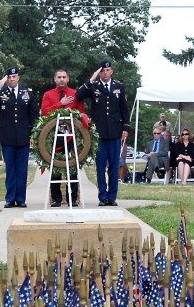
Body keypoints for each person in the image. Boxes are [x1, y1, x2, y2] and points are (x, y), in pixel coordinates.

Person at [76, 60, 130, 206]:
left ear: (111, 71)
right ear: (99, 73)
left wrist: (125, 128)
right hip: (99, 134)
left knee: (114, 166)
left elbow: (124, 109)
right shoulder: (94, 87)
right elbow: (79, 95)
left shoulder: (119, 87)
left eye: (107, 70)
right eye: (102, 71)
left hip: (114, 132)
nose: (105, 73)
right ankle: (102, 197)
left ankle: (112, 197)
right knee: (100, 167)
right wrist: (91, 79)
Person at [0, 67, 39, 207]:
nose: (12, 79)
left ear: (18, 77)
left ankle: (20, 199)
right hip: (7, 137)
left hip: (23, 137)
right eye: (9, 77)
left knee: (22, 169)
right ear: (6, 79)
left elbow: (34, 115)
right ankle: (10, 199)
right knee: (10, 169)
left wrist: (33, 133)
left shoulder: (27, 93)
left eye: (14, 76)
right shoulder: (1, 93)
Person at [41, 69, 87, 207]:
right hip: (53, 136)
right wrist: (61, 104)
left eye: (64, 77)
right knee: (55, 166)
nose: (61, 79)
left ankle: (72, 199)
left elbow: (81, 113)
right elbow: (45, 112)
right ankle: (56, 199)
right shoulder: (48, 95)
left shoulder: (75, 94)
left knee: (72, 167)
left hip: (71, 135)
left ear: (68, 79)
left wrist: (71, 112)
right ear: (54, 79)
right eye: (59, 77)